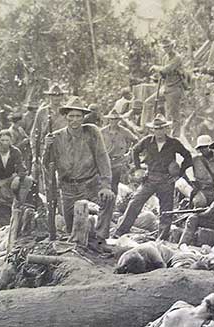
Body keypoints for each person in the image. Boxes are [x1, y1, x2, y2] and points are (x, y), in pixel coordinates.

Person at [43, 97, 114, 241]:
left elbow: (102, 158)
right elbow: (46, 165)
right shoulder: (56, 137)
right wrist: (46, 148)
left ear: (83, 118)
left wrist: (105, 185)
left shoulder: (92, 132)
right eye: (71, 116)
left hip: (90, 186)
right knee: (72, 231)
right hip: (68, 189)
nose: (74, 120)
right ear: (65, 117)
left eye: (78, 116)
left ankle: (100, 238)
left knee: (108, 198)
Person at [113, 114, 193, 240]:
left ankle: (161, 238)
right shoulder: (147, 141)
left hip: (166, 180)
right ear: (153, 130)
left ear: (166, 129)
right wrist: (138, 168)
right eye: (156, 129)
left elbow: (188, 157)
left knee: (166, 210)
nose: (159, 131)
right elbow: (135, 150)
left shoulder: (173, 143)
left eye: (161, 128)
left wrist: (179, 174)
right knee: (134, 203)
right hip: (149, 178)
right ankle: (120, 232)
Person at [29, 83, 67, 183]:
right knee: (48, 181)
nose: (56, 97)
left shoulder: (66, 112)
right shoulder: (42, 112)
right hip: (46, 149)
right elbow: (34, 134)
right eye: (54, 95)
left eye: (59, 95)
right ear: (49, 96)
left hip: (63, 149)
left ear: (62, 96)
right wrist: (34, 155)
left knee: (64, 179)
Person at [151, 39, 187, 136]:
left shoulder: (177, 58)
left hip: (175, 88)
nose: (166, 49)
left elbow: (167, 69)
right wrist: (157, 75)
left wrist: (156, 68)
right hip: (166, 87)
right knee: (150, 102)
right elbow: (163, 74)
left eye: (167, 46)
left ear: (172, 46)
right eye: (164, 47)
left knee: (174, 114)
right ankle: (158, 127)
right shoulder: (164, 58)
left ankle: (175, 136)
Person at [100, 109, 138, 193]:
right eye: (111, 119)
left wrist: (129, 152)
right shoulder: (102, 131)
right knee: (103, 183)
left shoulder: (124, 131)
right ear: (108, 120)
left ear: (119, 120)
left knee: (114, 183)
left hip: (118, 161)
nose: (113, 121)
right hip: (105, 160)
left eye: (115, 119)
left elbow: (135, 140)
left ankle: (114, 203)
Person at [189, 135, 214, 208]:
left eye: (205, 147)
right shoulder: (195, 160)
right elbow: (183, 171)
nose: (203, 149)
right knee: (198, 202)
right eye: (201, 148)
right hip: (203, 191)